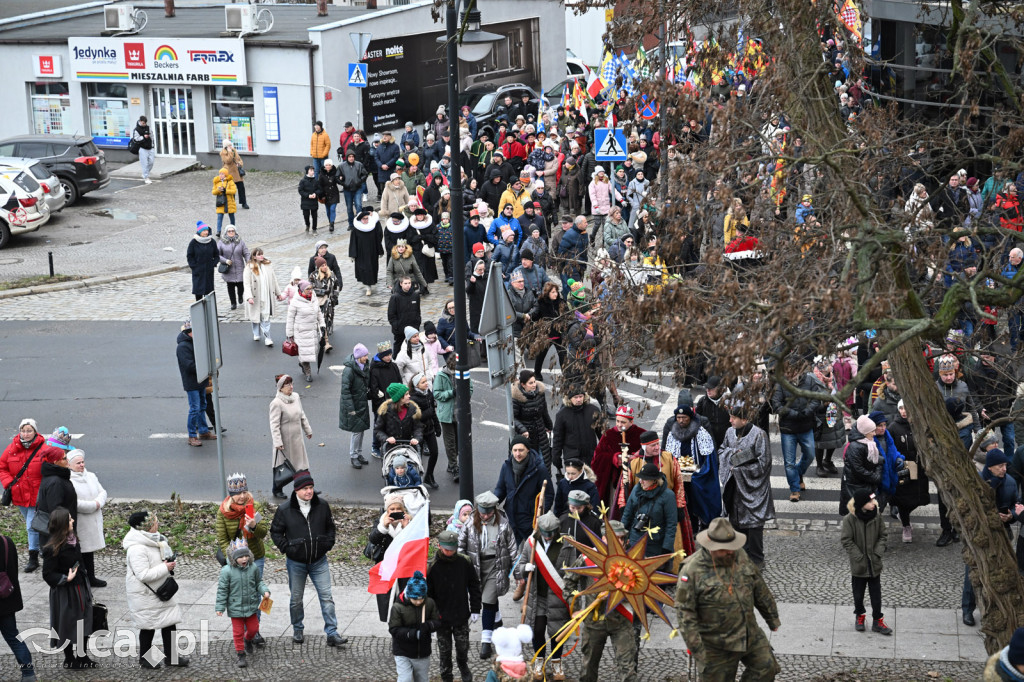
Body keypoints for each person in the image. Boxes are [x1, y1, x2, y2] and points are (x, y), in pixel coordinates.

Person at [676, 517, 781, 681]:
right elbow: (685, 614)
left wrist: (772, 617)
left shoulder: (739, 555)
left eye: (732, 546)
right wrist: (697, 648)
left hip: (748, 632)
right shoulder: (691, 571)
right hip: (716, 644)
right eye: (725, 549)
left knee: (766, 668)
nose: (731, 551)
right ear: (711, 546)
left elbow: (758, 584)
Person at [270, 469, 346, 647]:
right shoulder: (285, 509)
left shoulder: (322, 505)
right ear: (296, 490)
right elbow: (275, 532)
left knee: (326, 597)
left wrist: (327, 544)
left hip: (319, 561)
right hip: (296, 563)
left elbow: (330, 528)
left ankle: (332, 632)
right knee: (296, 598)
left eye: (311, 487)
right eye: (305, 488)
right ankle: (297, 628)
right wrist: (287, 548)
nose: (309, 491)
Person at [123, 509, 188, 669]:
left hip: (161, 591)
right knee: (148, 627)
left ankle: (171, 657)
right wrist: (165, 567)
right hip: (146, 594)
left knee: (169, 623)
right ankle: (145, 659)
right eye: (154, 522)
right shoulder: (137, 548)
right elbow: (143, 575)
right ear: (146, 527)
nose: (158, 523)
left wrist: (168, 564)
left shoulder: (155, 540)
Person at [457, 491, 517, 659]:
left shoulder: (503, 524)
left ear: (494, 510)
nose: (484, 516)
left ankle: (486, 642)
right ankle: (497, 623)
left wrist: (518, 573)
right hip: (475, 566)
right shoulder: (470, 523)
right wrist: (461, 566)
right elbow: (461, 545)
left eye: (488, 513)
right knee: (487, 598)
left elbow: (513, 548)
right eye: (482, 512)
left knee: (487, 600)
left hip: (495, 566)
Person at [512, 511, 570, 680]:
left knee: (556, 632)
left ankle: (556, 663)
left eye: (551, 534)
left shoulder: (566, 544)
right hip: (538, 596)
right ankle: (539, 661)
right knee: (538, 630)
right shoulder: (531, 543)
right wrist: (525, 569)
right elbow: (519, 567)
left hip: (557, 595)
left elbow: (574, 570)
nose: (547, 537)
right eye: (545, 534)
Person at [717, 400, 774, 568]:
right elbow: (722, 450)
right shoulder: (729, 432)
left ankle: (757, 558)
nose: (730, 421)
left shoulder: (759, 435)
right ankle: (740, 554)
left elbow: (764, 463)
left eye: (733, 417)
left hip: (753, 487)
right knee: (736, 520)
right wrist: (734, 454)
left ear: (744, 419)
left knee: (754, 523)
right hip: (734, 486)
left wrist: (741, 468)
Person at [41, 508, 96, 669]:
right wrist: (65, 578)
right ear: (63, 524)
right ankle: (70, 658)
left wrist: (84, 576)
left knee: (84, 622)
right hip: (65, 592)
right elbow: (48, 574)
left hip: (80, 588)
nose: (73, 521)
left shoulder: (74, 540)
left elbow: (80, 562)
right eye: (70, 519)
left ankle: (82, 656)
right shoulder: (51, 548)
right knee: (67, 624)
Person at [427, 530, 481, 682]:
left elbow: (474, 585)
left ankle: (463, 665)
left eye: (452, 549)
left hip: (460, 613)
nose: (449, 552)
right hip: (441, 616)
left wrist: (476, 608)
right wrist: (430, 617)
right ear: (439, 546)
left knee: (462, 646)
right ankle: (446, 674)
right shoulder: (432, 566)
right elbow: (428, 595)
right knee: (444, 650)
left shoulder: (465, 562)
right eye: (446, 549)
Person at [840, 490, 892, 635]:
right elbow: (846, 540)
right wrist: (859, 557)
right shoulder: (849, 519)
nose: (873, 503)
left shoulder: (877, 516)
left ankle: (877, 620)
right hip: (859, 565)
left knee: (876, 595)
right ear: (862, 504)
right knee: (858, 594)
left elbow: (883, 536)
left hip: (874, 564)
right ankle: (860, 616)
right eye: (870, 502)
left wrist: (877, 553)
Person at [216, 537, 270, 669]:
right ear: (234, 558)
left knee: (253, 629)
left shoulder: (253, 568)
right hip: (236, 609)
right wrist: (220, 607)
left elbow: (258, 583)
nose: (244, 559)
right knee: (237, 632)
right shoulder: (226, 571)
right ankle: (241, 654)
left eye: (246, 556)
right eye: (241, 557)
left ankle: (248, 639)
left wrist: (265, 591)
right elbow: (222, 590)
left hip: (251, 606)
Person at [0, 418, 46, 573]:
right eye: (23, 430)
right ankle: (42, 549)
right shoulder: (12, 447)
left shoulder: (43, 447)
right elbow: (2, 467)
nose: (26, 434)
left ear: (35, 431)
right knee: (35, 524)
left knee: (31, 525)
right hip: (19, 495)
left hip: (37, 495)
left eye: (29, 430)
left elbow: (51, 466)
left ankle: (33, 558)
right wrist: (8, 484)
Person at [771, 366, 821, 502]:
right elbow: (776, 403)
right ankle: (794, 489)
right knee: (789, 462)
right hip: (788, 428)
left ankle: (798, 474)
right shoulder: (781, 383)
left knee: (810, 454)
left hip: (805, 425)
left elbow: (816, 398)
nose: (790, 373)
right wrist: (791, 413)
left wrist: (808, 411)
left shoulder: (809, 380)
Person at [494, 436, 554, 544]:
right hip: (511, 518)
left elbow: (549, 494)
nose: (518, 454)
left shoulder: (539, 468)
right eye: (515, 450)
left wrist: (540, 515)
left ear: (528, 450)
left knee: (532, 554)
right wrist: (492, 503)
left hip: (530, 520)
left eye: (521, 450)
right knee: (510, 554)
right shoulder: (506, 467)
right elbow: (500, 489)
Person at [887, 400, 930, 543]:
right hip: (904, 466)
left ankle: (903, 514)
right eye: (901, 408)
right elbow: (890, 448)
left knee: (919, 498)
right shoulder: (893, 427)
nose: (904, 411)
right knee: (903, 499)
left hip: (919, 465)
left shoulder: (918, 425)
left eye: (906, 408)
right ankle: (906, 525)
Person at [389, 570, 441, 682]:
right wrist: (413, 634)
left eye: (421, 599)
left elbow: (437, 621)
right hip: (402, 651)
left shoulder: (429, 603)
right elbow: (394, 629)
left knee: (422, 679)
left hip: (422, 652)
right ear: (408, 595)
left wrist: (428, 625)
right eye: (415, 599)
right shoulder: (398, 607)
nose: (418, 602)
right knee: (405, 679)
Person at [67, 450, 107, 588]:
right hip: (81, 521)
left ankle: (91, 577)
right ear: (70, 465)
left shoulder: (91, 476)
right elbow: (74, 503)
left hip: (94, 518)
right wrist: (93, 505)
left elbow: (102, 492)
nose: (82, 465)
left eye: (83, 462)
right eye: (78, 463)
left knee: (89, 551)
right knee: (81, 550)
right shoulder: (69, 481)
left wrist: (99, 503)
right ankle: (83, 578)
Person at [269, 375, 313, 499]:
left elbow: (302, 414)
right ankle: (277, 489)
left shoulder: (296, 397)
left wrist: (307, 429)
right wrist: (277, 442)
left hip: (297, 439)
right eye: (288, 385)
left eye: (291, 384)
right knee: (283, 468)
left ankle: (306, 487)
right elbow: (274, 424)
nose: (291, 387)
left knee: (301, 465)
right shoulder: (276, 403)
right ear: (281, 388)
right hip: (284, 442)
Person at [0, 527, 35, 681]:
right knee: (14, 637)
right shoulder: (7, 542)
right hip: (6, 600)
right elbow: (12, 570)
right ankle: (28, 674)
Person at [592, 405, 645, 507]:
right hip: (615, 481)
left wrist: (634, 458)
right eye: (617, 421)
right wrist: (614, 458)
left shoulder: (641, 434)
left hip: (635, 480)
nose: (619, 425)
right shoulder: (609, 435)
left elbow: (650, 452)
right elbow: (597, 458)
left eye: (623, 422)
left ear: (631, 422)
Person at [621, 463, 677, 556]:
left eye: (645, 479)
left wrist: (666, 547)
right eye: (640, 478)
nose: (641, 481)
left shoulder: (668, 496)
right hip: (635, 541)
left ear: (654, 480)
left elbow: (671, 524)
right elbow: (627, 514)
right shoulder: (636, 489)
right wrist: (621, 536)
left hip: (655, 544)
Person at [35, 432, 77, 551]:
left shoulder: (54, 476)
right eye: (64, 458)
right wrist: (67, 530)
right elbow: (56, 510)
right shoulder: (56, 482)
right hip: (59, 535)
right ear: (55, 461)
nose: (67, 460)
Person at [435, 353, 471, 482]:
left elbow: (470, 388)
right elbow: (437, 394)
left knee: (458, 442)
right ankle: (454, 467)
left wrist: (465, 393)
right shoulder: (441, 376)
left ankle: (452, 464)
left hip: (460, 414)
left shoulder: (463, 373)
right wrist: (452, 393)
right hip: (447, 415)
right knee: (450, 442)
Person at [839, 415, 884, 516]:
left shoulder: (867, 442)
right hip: (856, 485)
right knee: (858, 512)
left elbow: (874, 460)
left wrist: (880, 462)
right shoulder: (856, 447)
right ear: (864, 432)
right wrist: (876, 476)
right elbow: (858, 469)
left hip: (863, 483)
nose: (874, 433)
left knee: (866, 510)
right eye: (872, 431)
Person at [511, 370, 554, 475]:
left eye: (534, 381)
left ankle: (544, 487)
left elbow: (544, 412)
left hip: (540, 435)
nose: (534, 385)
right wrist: (523, 430)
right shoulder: (517, 398)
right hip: (526, 438)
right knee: (527, 468)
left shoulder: (540, 393)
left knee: (543, 465)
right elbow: (513, 419)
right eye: (530, 383)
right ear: (523, 385)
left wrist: (549, 426)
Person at [340, 343, 372, 469]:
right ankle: (353, 456)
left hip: (361, 403)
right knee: (356, 432)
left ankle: (358, 454)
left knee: (361, 429)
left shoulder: (364, 366)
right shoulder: (349, 370)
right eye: (364, 355)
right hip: (354, 405)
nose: (366, 357)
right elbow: (345, 391)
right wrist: (350, 409)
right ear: (359, 356)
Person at [286, 280, 325, 383]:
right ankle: (308, 373)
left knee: (312, 351)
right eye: (308, 289)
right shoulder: (295, 301)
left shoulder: (314, 297)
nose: (310, 291)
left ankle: (301, 362)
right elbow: (290, 318)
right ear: (302, 290)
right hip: (301, 332)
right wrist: (290, 334)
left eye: (311, 288)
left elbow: (319, 313)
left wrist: (322, 325)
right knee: (305, 353)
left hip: (312, 330)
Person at [243, 248, 284, 347]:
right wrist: (249, 297)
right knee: (256, 316)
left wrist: (278, 293)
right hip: (255, 296)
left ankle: (268, 338)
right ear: (254, 256)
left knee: (265, 316)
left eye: (262, 254)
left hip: (266, 295)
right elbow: (247, 284)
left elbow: (274, 280)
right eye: (259, 254)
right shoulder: (249, 267)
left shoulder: (267, 265)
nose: (261, 256)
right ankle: (256, 332)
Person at [407, 373, 441, 489]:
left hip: (430, 429)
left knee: (435, 453)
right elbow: (414, 417)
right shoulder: (412, 398)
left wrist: (437, 426)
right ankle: (417, 480)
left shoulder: (428, 394)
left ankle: (429, 476)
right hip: (418, 431)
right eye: (423, 382)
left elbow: (433, 412)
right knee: (418, 457)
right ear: (416, 385)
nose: (426, 383)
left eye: (426, 381)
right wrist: (429, 413)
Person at [375, 382, 424, 455]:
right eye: (406, 394)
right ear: (399, 397)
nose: (409, 396)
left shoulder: (412, 409)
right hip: (390, 448)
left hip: (408, 448)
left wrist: (416, 438)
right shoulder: (385, 411)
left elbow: (418, 427)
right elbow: (378, 430)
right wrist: (386, 438)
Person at [350, 208, 385, 296]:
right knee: (364, 269)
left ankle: (370, 284)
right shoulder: (356, 229)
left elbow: (377, 240)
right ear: (360, 219)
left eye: (367, 218)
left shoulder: (372, 227)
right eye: (364, 219)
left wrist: (380, 251)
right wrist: (352, 255)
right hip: (361, 254)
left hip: (372, 253)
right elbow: (353, 242)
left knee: (372, 269)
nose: (366, 220)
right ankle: (367, 287)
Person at [216, 224, 250, 311]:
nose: (231, 232)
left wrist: (248, 262)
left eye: (233, 231)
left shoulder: (240, 242)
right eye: (229, 231)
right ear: (226, 232)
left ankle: (240, 296)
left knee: (241, 285)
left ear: (235, 232)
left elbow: (246, 252)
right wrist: (225, 260)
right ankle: (233, 303)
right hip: (228, 269)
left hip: (239, 268)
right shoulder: (221, 242)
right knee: (230, 287)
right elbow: (217, 255)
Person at [389, 275, 425, 350]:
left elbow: (418, 311)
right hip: (400, 330)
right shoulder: (395, 297)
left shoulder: (415, 295)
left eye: (409, 283)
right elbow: (391, 315)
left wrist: (417, 323)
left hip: (413, 328)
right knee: (398, 348)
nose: (408, 285)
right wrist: (396, 326)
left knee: (413, 349)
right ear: (401, 284)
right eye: (405, 283)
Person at [187, 221, 220, 301]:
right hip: (198, 272)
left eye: (207, 230)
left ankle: (210, 311)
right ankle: (200, 311)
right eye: (204, 231)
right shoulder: (194, 242)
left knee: (209, 293)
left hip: (209, 271)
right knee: (198, 293)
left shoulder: (212, 242)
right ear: (199, 231)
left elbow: (216, 255)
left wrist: (213, 264)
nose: (206, 232)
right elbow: (190, 256)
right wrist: (194, 266)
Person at [219, 139, 247, 209]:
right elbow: (228, 161)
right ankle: (232, 203)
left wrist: (240, 164)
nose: (231, 146)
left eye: (231, 145)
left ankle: (244, 203)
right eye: (229, 145)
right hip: (230, 173)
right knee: (231, 189)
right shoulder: (223, 153)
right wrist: (229, 152)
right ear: (225, 147)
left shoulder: (234, 150)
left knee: (241, 188)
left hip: (237, 173)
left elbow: (239, 159)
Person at [211, 168, 237, 237]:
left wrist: (225, 190)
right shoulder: (216, 182)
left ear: (225, 174)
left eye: (222, 174)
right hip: (221, 202)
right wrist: (218, 190)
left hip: (229, 202)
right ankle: (218, 231)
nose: (220, 175)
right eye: (220, 173)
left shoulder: (230, 181)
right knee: (219, 216)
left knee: (231, 216)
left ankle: (233, 229)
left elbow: (234, 191)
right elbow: (213, 192)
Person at [318, 159, 341, 233]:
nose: (328, 166)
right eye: (326, 165)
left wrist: (341, 178)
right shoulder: (321, 174)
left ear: (331, 166)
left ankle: (332, 224)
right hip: (326, 194)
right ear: (324, 166)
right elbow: (320, 185)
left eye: (329, 165)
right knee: (328, 210)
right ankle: (330, 221)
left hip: (334, 193)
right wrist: (321, 195)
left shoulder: (335, 172)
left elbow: (338, 181)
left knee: (332, 209)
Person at [299, 165, 321, 233]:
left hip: (314, 201)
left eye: (313, 170)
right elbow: (300, 190)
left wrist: (315, 194)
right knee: (306, 215)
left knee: (314, 216)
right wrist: (308, 195)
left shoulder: (316, 181)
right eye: (311, 170)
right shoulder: (303, 181)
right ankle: (307, 225)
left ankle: (314, 228)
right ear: (307, 171)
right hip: (305, 201)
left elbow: (320, 189)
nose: (312, 172)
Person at [133, 115, 155, 184]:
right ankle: (146, 177)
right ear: (140, 121)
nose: (144, 124)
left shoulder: (148, 128)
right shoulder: (136, 129)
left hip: (150, 148)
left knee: (151, 162)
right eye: (143, 123)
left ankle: (145, 173)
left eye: (145, 123)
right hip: (142, 148)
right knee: (144, 164)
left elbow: (152, 136)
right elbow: (136, 139)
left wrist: (153, 145)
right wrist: (143, 137)